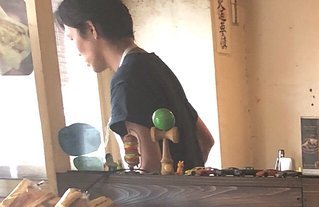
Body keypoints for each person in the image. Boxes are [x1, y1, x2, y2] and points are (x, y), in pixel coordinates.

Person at [56, 0, 213, 172]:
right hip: (193, 193)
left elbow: (147, 167)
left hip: (163, 198)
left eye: (72, 38)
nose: (75, 50)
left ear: (91, 29)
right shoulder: (155, 65)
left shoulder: (125, 80)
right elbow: (205, 140)